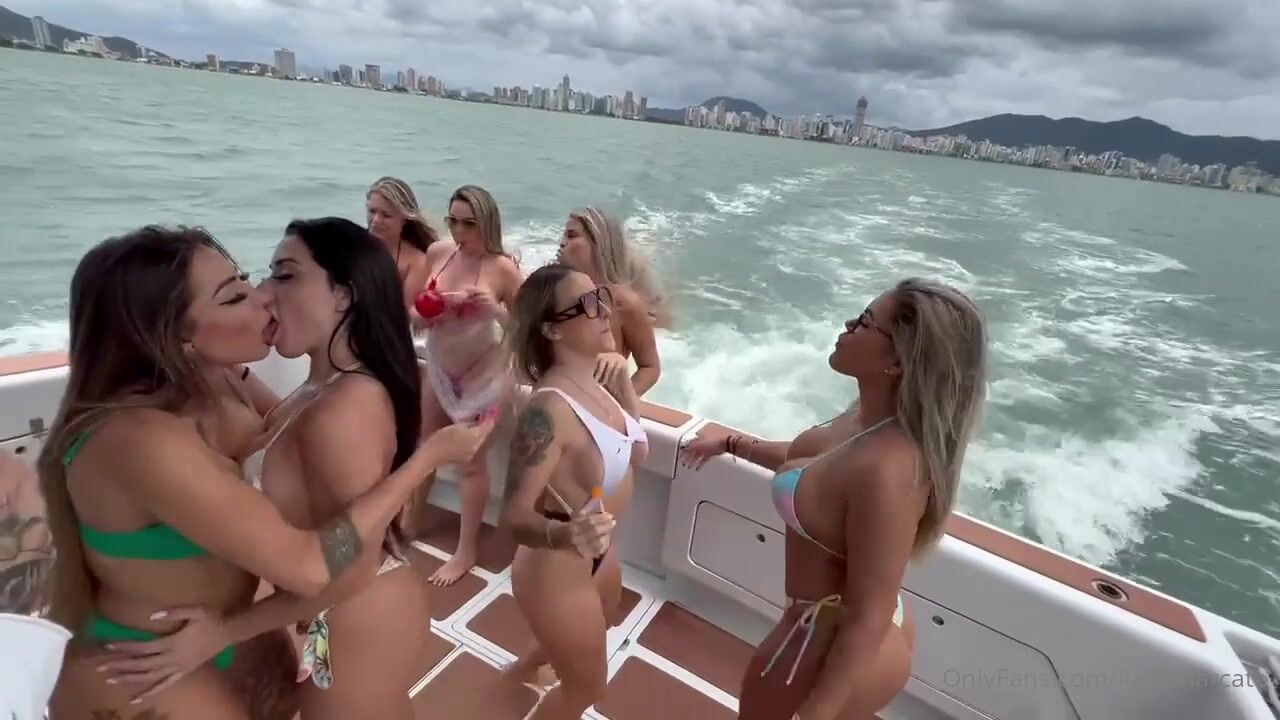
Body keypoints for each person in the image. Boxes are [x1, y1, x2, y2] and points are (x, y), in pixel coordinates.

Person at [40, 225, 490, 720]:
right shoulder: (170, 421)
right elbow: (288, 446)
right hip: (183, 649)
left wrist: (427, 458)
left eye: (276, 277)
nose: (264, 295)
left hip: (347, 609)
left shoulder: (336, 402)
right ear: (174, 336)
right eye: (237, 295)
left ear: (344, 295)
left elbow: (339, 562)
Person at [682, 278, 988, 720]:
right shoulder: (867, 417)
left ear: (897, 359)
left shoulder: (888, 470)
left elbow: (869, 613)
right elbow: (814, 464)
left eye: (864, 322)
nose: (848, 325)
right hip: (828, 628)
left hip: (832, 638)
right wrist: (731, 443)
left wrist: (819, 711)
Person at [499, 264, 648, 720]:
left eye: (600, 296)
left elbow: (638, 453)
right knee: (586, 688)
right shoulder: (548, 411)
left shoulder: (600, 385)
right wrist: (568, 536)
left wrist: (624, 388)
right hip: (556, 565)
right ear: (552, 330)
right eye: (585, 304)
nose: (603, 310)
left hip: (597, 553)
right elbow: (513, 516)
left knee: (600, 624)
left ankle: (520, 670)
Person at [407, 184, 522, 586]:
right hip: (441, 367)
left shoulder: (504, 269)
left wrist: (494, 310)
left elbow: (527, 331)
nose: (458, 231)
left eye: (468, 224)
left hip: (483, 378)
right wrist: (430, 311)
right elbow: (413, 314)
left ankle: (465, 550)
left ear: (486, 223)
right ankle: (409, 522)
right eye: (452, 221)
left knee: (470, 464)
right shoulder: (439, 253)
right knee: (424, 447)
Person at [555, 207, 670, 396]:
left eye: (572, 235)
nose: (561, 242)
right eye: (564, 235)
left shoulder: (625, 303)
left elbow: (649, 367)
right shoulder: (556, 292)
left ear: (598, 243)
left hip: (600, 403)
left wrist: (620, 403)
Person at [366, 177, 441, 309]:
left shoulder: (417, 262)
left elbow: (405, 313)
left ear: (405, 219)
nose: (376, 220)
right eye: (372, 211)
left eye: (386, 215)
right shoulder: (352, 246)